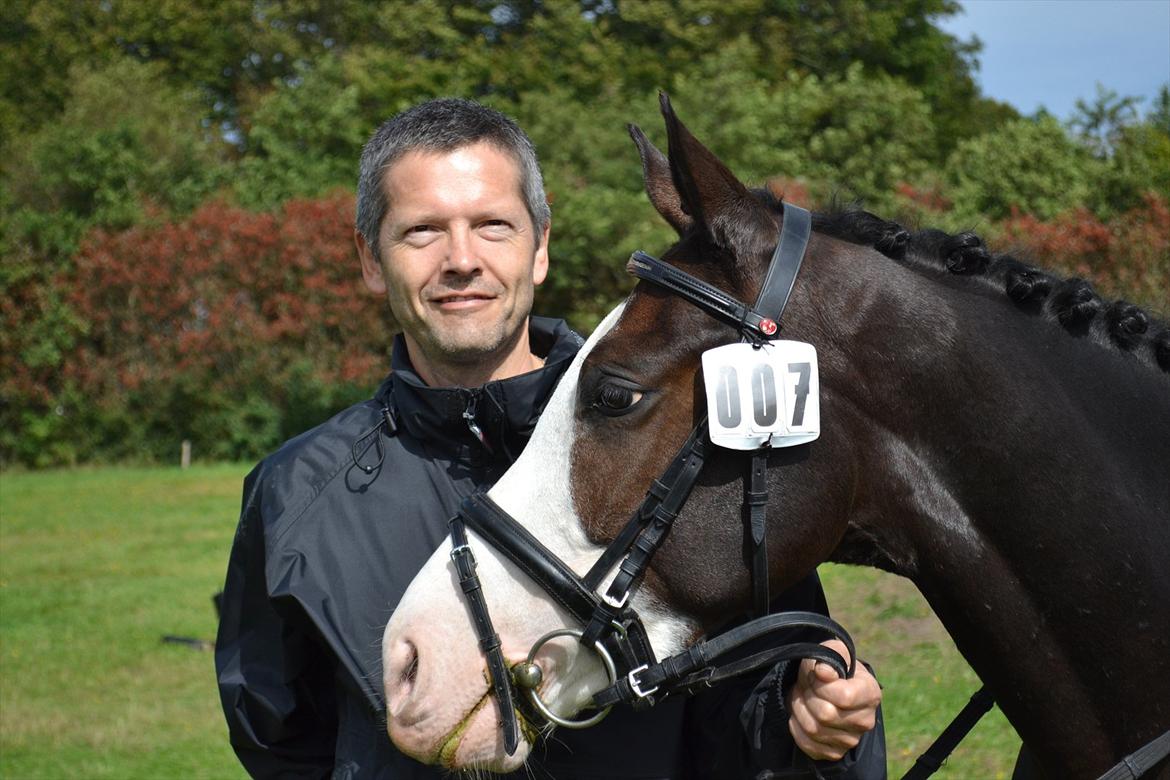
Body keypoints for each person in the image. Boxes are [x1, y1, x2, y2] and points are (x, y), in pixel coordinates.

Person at [215, 97, 884, 779]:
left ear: (539, 247)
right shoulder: (296, 493)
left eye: (492, 226)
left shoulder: (687, 437)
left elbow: (770, 690)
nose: (461, 259)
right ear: (369, 258)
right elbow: (281, 742)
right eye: (421, 231)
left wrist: (813, 726)